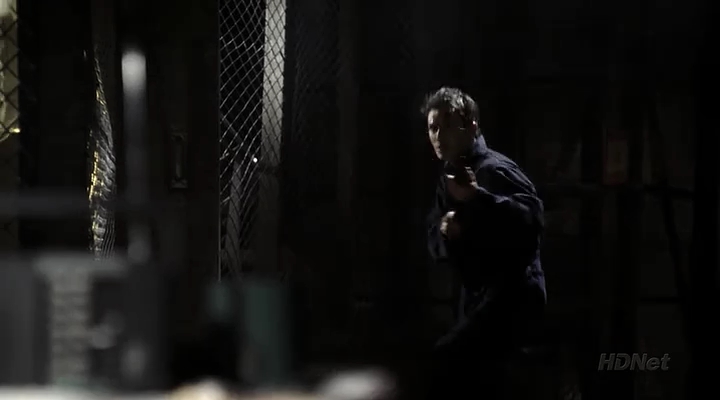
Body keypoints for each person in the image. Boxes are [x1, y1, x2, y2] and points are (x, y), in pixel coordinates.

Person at [422, 87, 547, 399]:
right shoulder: (451, 176)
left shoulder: (493, 168)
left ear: (472, 127)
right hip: (480, 299)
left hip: (513, 297)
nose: (439, 135)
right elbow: (435, 236)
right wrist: (447, 232)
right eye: (433, 127)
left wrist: (479, 198)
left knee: (447, 362)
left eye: (448, 125)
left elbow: (531, 220)